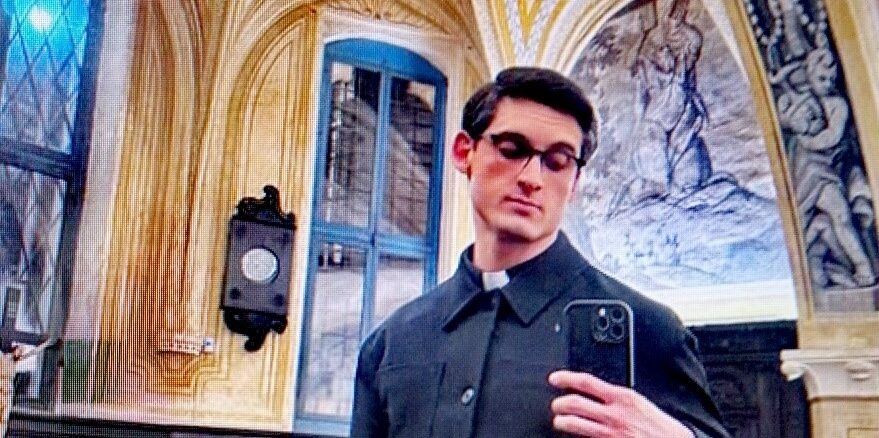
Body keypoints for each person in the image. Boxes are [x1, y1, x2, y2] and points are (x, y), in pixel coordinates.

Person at [350, 67, 730, 437]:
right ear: (465, 152)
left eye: (557, 162)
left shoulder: (650, 332)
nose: (532, 179)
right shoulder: (390, 346)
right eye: (512, 150)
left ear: (575, 181)